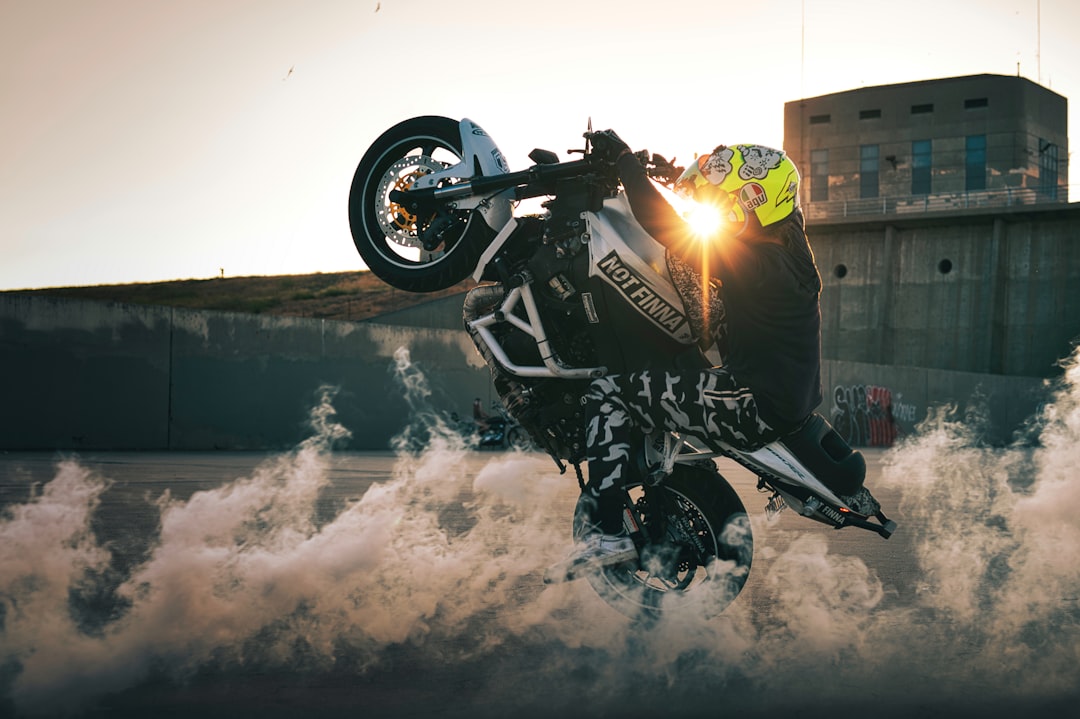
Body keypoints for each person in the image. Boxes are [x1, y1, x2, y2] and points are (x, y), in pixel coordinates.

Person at [559, 129, 874, 576]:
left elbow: (665, 227)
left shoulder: (758, 266)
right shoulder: (790, 245)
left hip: (750, 403)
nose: (725, 215)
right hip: (780, 397)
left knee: (609, 393)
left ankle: (607, 533)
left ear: (756, 204)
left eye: (732, 206)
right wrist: (683, 178)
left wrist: (628, 164)